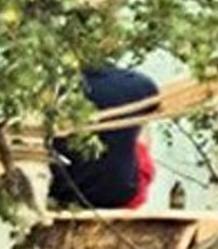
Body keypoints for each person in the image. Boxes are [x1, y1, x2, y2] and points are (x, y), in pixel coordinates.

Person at [50, 65, 161, 210]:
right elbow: (154, 108)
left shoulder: (54, 87)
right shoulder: (142, 84)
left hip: (62, 191)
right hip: (123, 192)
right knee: (141, 121)